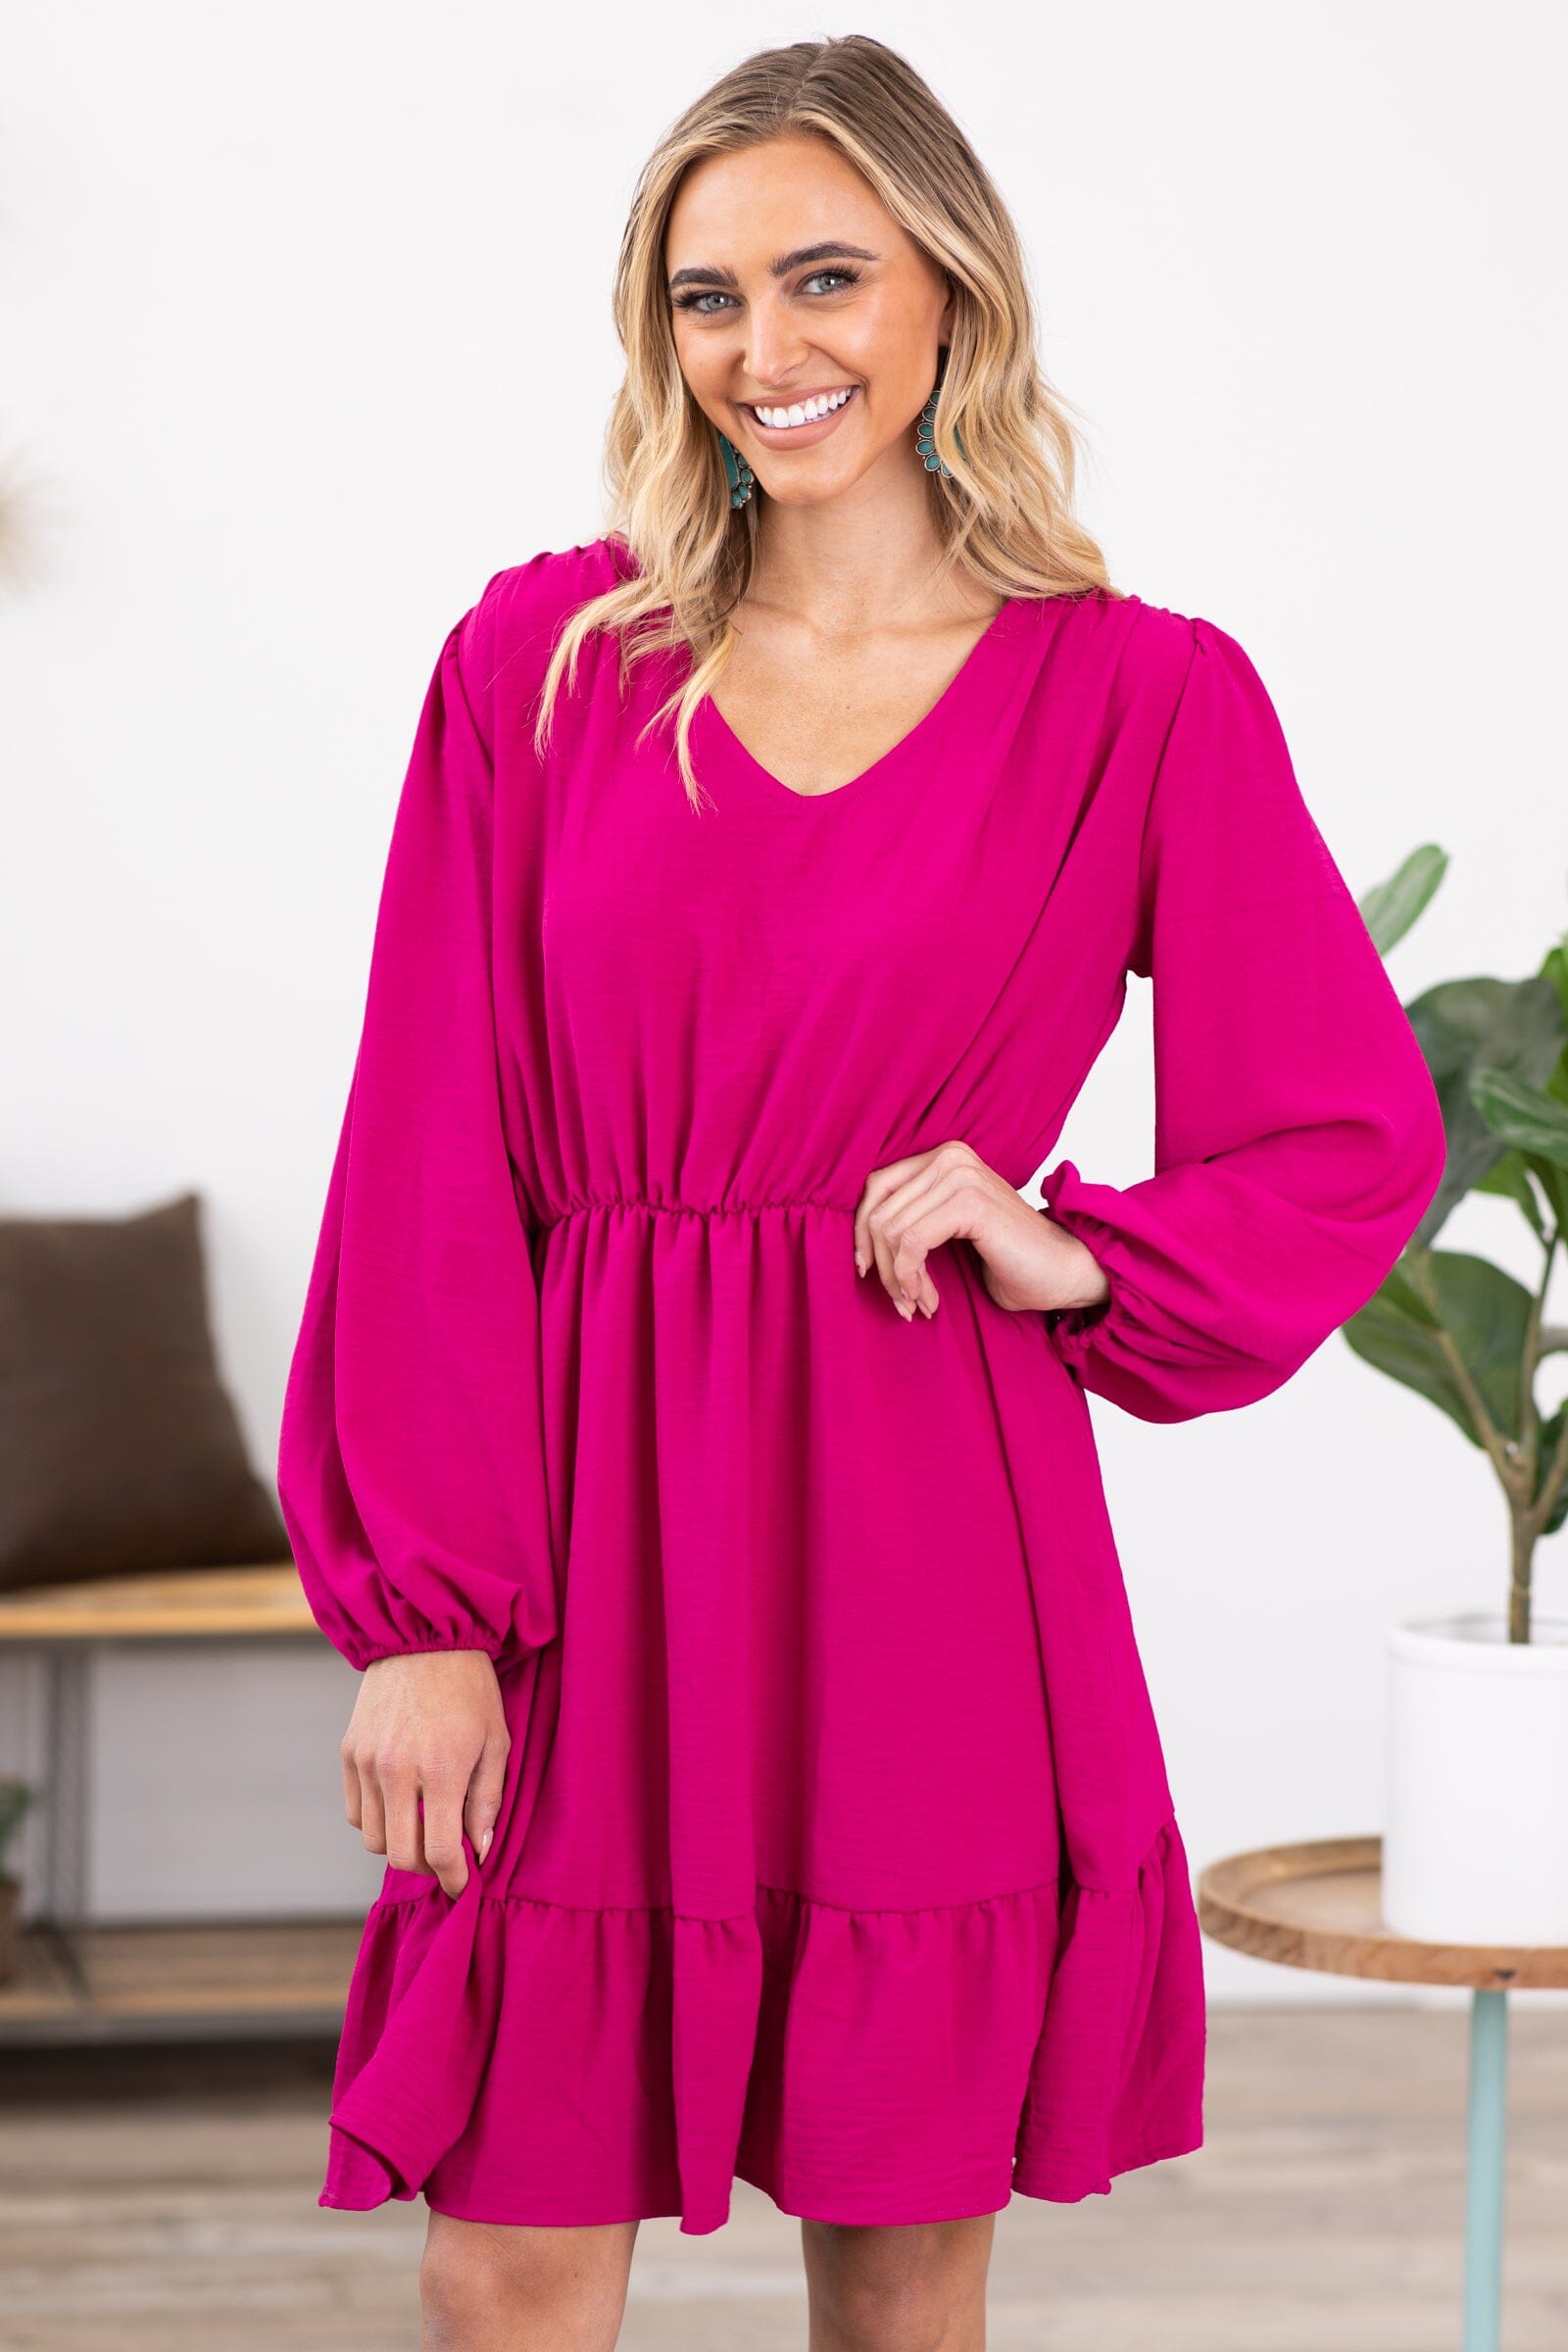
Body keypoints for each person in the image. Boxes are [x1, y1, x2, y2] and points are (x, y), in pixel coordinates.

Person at [275, 32, 1447, 2352]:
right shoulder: (539, 663)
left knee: (901, 2274)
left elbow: (1342, 1132)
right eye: (704, 296)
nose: (763, 347)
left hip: (924, 1532)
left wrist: (1070, 1244)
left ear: (948, 294)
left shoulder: (1140, 701)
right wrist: (422, 1612)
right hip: (581, 1537)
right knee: (505, 2265)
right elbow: (423, 1152)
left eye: (823, 276)